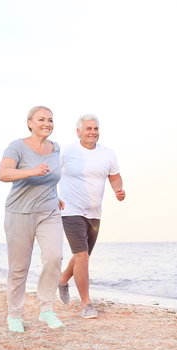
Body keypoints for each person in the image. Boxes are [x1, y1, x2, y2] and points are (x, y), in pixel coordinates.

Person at [0, 105, 65, 332]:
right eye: (41, 119)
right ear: (30, 123)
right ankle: (14, 315)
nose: (47, 123)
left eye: (50, 120)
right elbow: (3, 173)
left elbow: (52, 178)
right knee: (18, 267)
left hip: (49, 211)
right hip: (19, 213)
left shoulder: (55, 149)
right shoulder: (17, 147)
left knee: (54, 257)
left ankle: (46, 309)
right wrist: (31, 171)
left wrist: (56, 197)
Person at [57, 114, 125, 319]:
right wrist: (53, 197)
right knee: (82, 256)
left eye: (95, 128)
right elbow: (50, 175)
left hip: (95, 214)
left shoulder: (108, 154)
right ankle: (86, 304)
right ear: (78, 131)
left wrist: (119, 190)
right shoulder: (66, 152)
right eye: (88, 129)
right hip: (70, 211)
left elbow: (114, 176)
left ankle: (62, 280)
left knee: (83, 256)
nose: (93, 132)